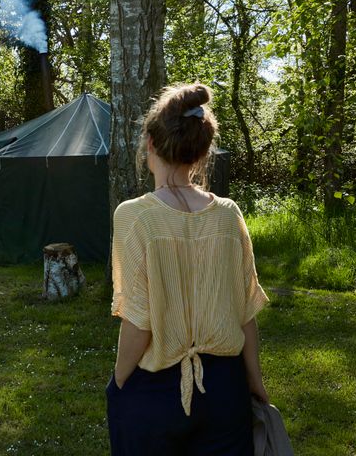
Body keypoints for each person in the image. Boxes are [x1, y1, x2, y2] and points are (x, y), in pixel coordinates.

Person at [107, 83, 269, 456]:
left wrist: (119, 381)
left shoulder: (134, 216)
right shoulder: (228, 214)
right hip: (226, 390)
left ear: (150, 143)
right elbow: (245, 313)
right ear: (202, 150)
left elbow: (139, 321)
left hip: (155, 390)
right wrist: (255, 382)